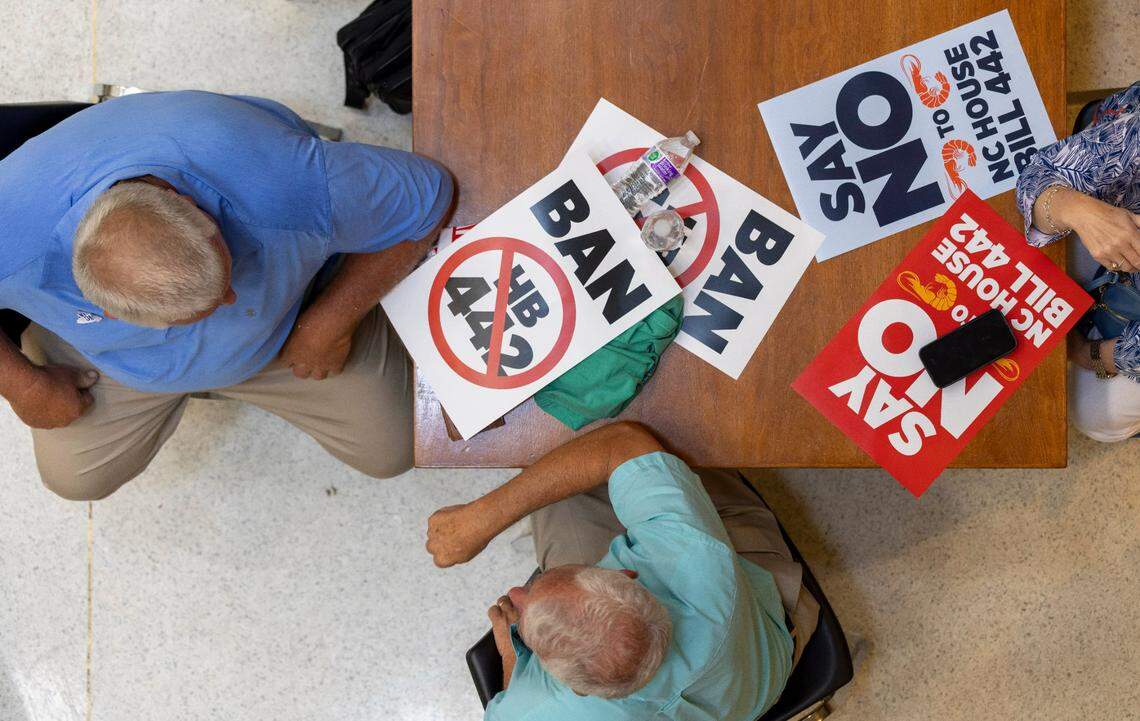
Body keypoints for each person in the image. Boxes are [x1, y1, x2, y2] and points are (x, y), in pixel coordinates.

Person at [0, 91, 454, 500]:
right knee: (73, 482)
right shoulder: (10, 221)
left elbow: (430, 197)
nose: (232, 301)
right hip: (108, 360)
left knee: (394, 449)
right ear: (106, 310)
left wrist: (332, 321)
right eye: (197, 315)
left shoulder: (290, 182)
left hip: (291, 321)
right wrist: (25, 386)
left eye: (225, 282)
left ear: (191, 207)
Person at [425, 422, 819, 721]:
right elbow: (625, 441)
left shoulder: (540, 710)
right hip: (758, 634)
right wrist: (483, 519)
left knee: (553, 450)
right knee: (643, 434)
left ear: (576, 690)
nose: (515, 593)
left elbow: (510, 705)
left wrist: (513, 656)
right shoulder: (698, 566)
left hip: (743, 690)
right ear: (626, 575)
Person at [1016, 81, 1140, 442]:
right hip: (1121, 208)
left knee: (1097, 418)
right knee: (1025, 247)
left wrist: (1088, 354)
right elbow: (1038, 179)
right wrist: (1081, 211)